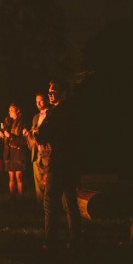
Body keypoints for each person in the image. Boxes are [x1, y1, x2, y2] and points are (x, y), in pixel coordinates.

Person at [34, 80, 81, 251]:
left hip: (59, 161)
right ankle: (75, 238)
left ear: (64, 92)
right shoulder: (73, 110)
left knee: (50, 201)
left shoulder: (56, 112)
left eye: (54, 91)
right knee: (69, 200)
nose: (50, 94)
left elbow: (43, 135)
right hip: (71, 162)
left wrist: (38, 132)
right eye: (49, 91)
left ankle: (51, 240)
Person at [23, 93, 51, 203]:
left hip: (48, 153)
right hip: (36, 154)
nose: (38, 104)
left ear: (47, 101)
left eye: (40, 101)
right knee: (38, 182)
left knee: (48, 181)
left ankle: (50, 205)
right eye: (36, 101)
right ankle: (41, 206)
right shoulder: (35, 117)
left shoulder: (52, 115)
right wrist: (28, 134)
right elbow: (32, 136)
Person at [0, 103, 28, 197]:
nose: (9, 112)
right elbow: (5, 140)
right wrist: (2, 136)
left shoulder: (22, 123)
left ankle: (21, 198)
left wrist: (10, 136)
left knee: (19, 177)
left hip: (18, 152)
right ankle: (12, 199)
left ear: (17, 111)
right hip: (9, 152)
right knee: (11, 177)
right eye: (9, 110)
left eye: (11, 110)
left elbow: (24, 141)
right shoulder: (7, 122)